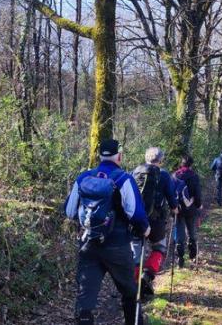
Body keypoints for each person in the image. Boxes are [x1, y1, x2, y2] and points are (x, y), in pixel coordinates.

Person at [64, 139, 150, 325]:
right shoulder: (124, 179)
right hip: (117, 246)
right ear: (119, 155)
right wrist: (145, 228)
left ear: (99, 155)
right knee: (129, 291)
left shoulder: (83, 178)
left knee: (85, 297)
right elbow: (135, 213)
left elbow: (70, 212)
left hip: (89, 244)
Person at [131, 147, 178, 297]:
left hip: (137, 220)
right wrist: (175, 208)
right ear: (161, 160)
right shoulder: (164, 175)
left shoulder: (135, 172)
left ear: (146, 158)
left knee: (135, 253)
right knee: (160, 247)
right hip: (156, 221)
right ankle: (148, 275)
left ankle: (134, 285)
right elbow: (171, 197)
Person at [173, 155, 203, 268]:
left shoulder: (174, 175)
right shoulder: (194, 176)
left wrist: (172, 207)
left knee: (179, 234)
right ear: (191, 164)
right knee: (191, 232)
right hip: (191, 209)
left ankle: (179, 259)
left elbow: (170, 193)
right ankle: (192, 256)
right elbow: (198, 194)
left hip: (178, 209)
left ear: (182, 163)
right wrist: (199, 205)